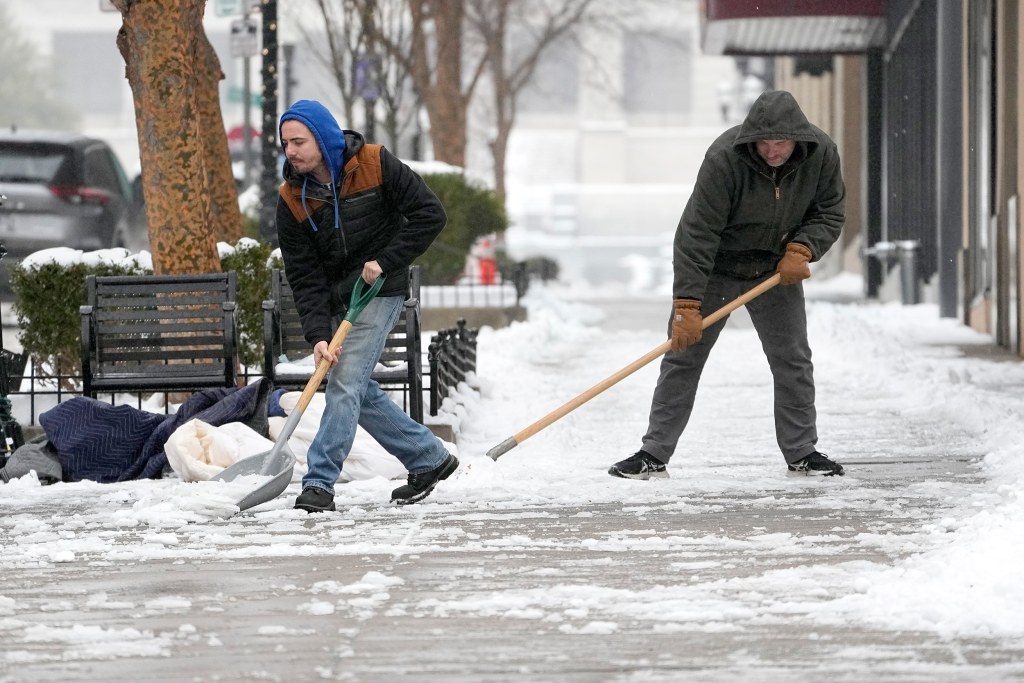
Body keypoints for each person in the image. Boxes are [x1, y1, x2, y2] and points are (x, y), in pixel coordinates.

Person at [609, 89, 846, 480]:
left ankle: (802, 451)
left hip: (775, 271)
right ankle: (653, 452)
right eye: (766, 143)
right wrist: (687, 305)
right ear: (752, 138)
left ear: (797, 138)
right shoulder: (725, 158)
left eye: (781, 143)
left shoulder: (821, 153)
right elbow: (697, 233)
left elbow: (831, 210)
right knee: (683, 356)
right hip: (717, 267)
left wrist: (803, 248)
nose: (773, 152)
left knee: (792, 360)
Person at [276, 99, 457, 512]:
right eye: (285, 144)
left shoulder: (376, 163)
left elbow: (431, 215)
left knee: (343, 384)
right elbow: (305, 276)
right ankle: (429, 458)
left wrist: (386, 260)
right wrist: (319, 335)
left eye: (299, 142)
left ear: (322, 138)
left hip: (379, 290)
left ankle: (320, 482)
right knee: (356, 385)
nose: (291, 151)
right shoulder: (292, 200)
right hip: (338, 300)